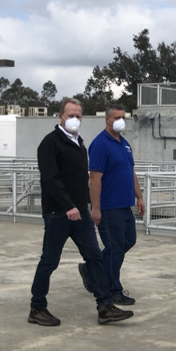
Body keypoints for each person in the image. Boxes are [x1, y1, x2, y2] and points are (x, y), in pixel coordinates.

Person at [29, 98, 133, 326]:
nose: (74, 119)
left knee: (95, 258)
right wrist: (68, 206)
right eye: (70, 115)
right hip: (59, 214)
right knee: (49, 261)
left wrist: (87, 205)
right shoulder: (50, 143)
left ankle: (104, 306)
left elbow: (80, 181)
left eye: (78, 115)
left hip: (81, 215)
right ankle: (37, 308)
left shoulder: (79, 143)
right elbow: (50, 180)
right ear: (61, 117)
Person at [78, 105, 144, 306]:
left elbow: (130, 172)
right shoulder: (100, 144)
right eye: (117, 117)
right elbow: (95, 178)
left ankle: (90, 270)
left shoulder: (124, 144)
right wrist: (96, 208)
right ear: (107, 120)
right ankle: (113, 289)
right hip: (108, 207)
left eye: (123, 117)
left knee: (128, 241)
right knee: (114, 248)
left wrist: (139, 197)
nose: (121, 121)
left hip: (125, 205)